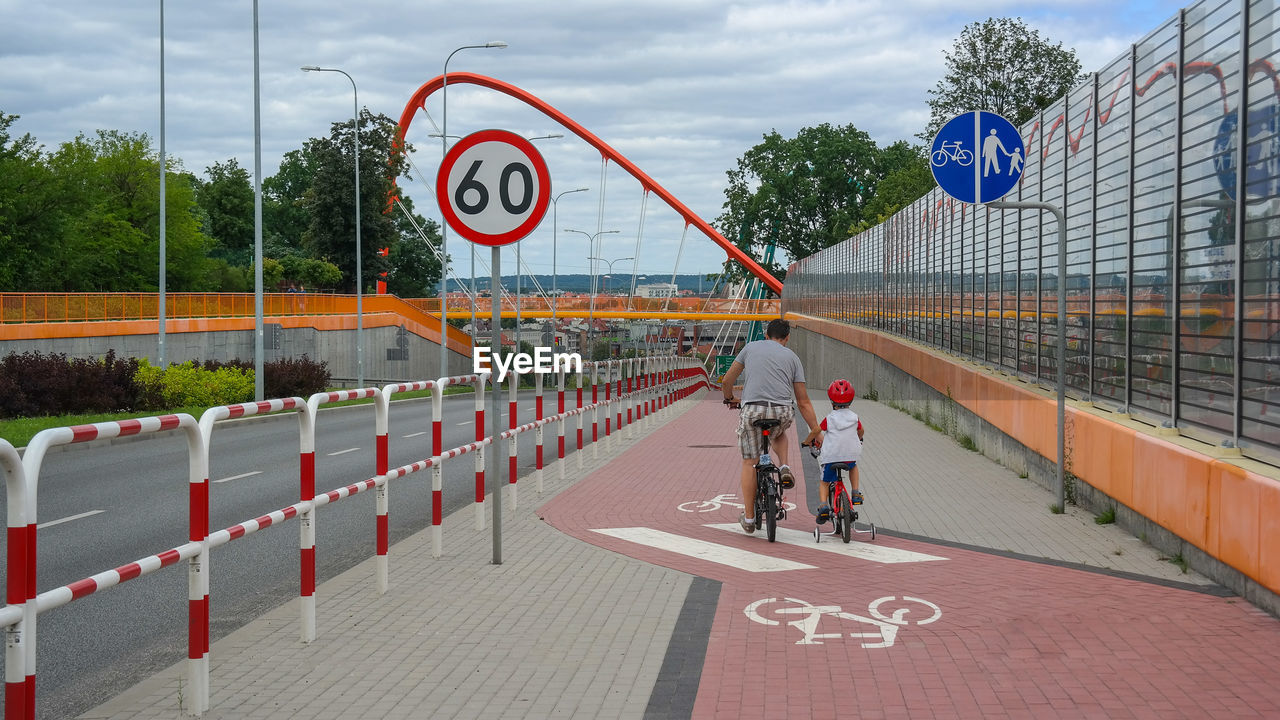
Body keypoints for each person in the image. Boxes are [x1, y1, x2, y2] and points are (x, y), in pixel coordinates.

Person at [721, 318, 820, 534]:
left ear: (766, 335)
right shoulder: (792, 357)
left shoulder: (750, 348)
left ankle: (748, 519)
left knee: (750, 463)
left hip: (753, 410)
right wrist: (816, 430)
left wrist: (729, 398)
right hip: (781, 411)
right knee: (779, 432)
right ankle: (784, 466)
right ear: (786, 338)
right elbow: (803, 401)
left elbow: (727, 380)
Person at [803, 379, 865, 524]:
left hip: (831, 458)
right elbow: (861, 430)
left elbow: (816, 431)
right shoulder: (854, 417)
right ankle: (855, 493)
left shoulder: (830, 418)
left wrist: (806, 441)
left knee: (824, 482)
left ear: (831, 401)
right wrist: (859, 438)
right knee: (853, 467)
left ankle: (824, 505)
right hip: (850, 455)